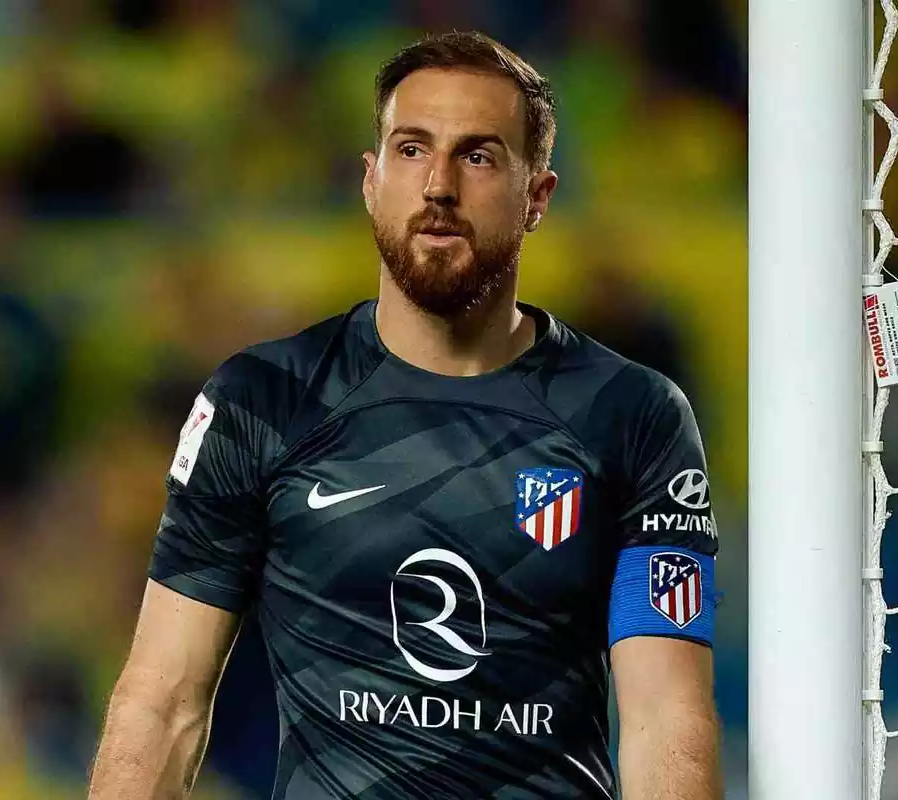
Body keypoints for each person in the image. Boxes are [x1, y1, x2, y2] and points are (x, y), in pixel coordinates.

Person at [88, 31, 722, 799]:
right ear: (371, 180)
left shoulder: (630, 414)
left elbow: (665, 718)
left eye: (479, 155)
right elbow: (162, 702)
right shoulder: (262, 400)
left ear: (538, 197)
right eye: (412, 150)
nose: (439, 186)